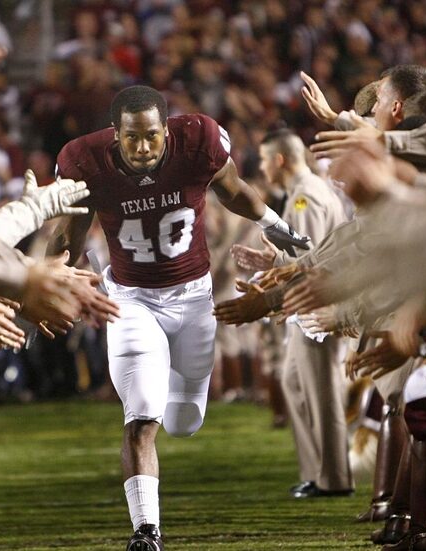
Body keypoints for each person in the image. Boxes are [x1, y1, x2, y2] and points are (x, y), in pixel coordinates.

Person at [49, 85, 308, 551]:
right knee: (141, 417)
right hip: (131, 299)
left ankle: (170, 387)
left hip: (193, 297)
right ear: (115, 135)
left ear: (167, 130)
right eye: (131, 138)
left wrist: (276, 226)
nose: (143, 147)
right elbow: (69, 235)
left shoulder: (198, 141)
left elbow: (233, 190)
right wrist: (54, 284)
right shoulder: (85, 161)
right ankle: (146, 531)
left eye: (151, 136)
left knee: (184, 421)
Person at [229, 128, 352, 498]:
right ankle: (318, 472)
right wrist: (272, 263)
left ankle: (332, 478)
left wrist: (273, 295)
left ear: (279, 159)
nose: (263, 166)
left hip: (314, 307)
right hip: (305, 305)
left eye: (265, 159)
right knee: (296, 383)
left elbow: (312, 260)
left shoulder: (306, 197)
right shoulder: (302, 193)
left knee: (321, 391)